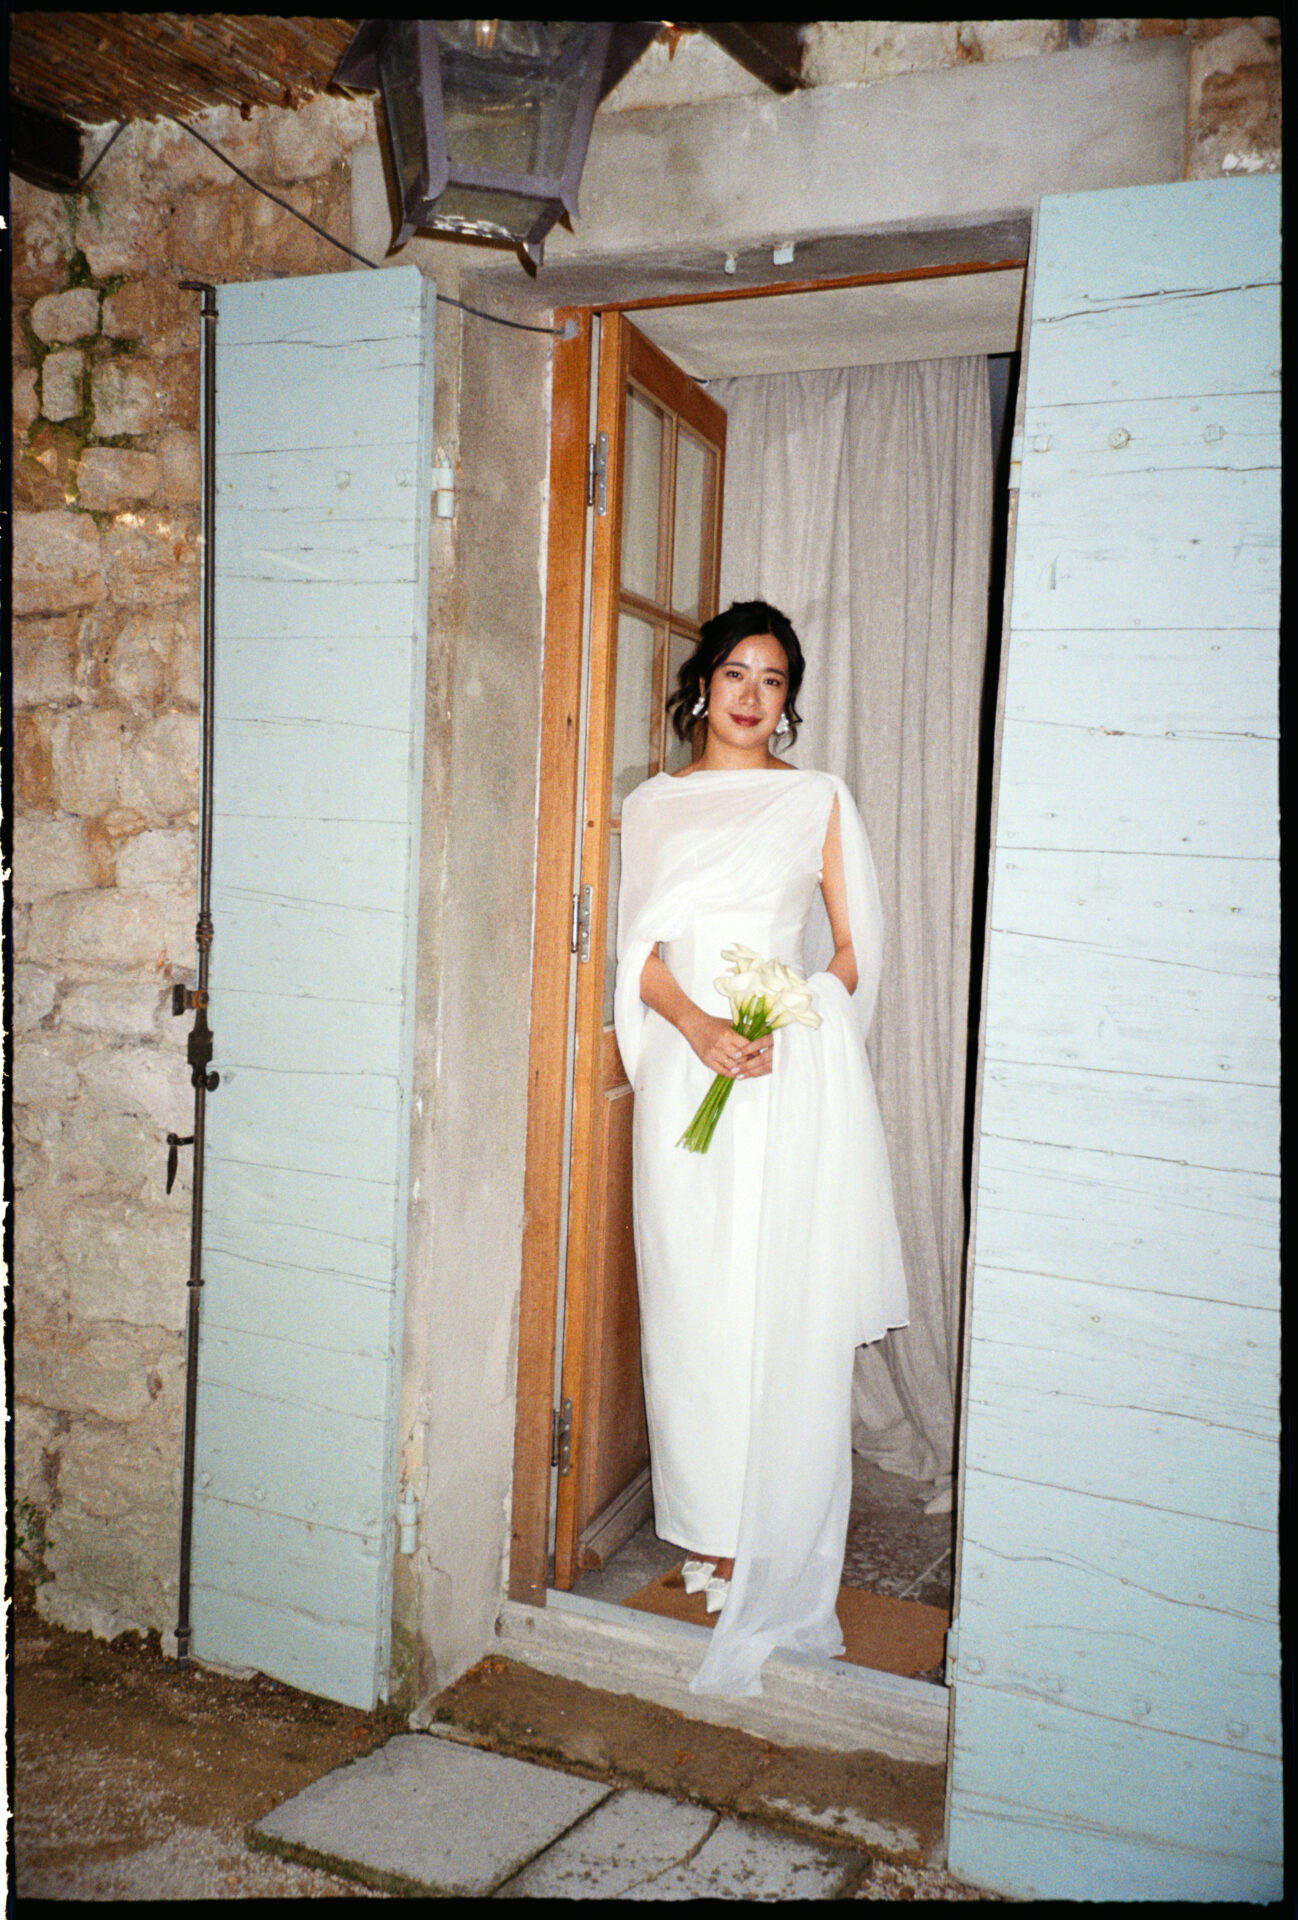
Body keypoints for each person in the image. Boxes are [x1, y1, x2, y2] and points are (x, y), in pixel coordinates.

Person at [613, 600, 909, 1698]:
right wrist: (699, 1027)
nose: (751, 695)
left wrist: (789, 1017)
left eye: (772, 679)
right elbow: (638, 953)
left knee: (772, 1300)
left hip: (785, 1081)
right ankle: (711, 1531)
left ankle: (771, 1537)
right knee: (693, 1299)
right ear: (702, 684)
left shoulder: (816, 798)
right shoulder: (652, 805)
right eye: (735, 672)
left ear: (788, 701)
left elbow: (856, 950)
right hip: (686, 1075)